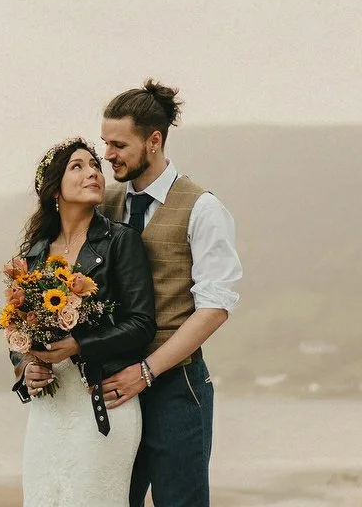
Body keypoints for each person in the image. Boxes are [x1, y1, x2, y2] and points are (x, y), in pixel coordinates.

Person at [95, 81, 242, 507]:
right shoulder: (104, 203)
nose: (108, 155)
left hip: (177, 387)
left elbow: (214, 308)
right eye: (105, 143)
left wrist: (146, 372)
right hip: (114, 384)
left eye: (119, 145)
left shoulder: (203, 209)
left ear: (154, 141)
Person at [10, 137, 156, 507]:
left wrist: (79, 345)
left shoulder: (121, 241)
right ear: (54, 190)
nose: (93, 172)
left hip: (102, 401)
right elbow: (17, 332)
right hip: (49, 408)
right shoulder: (34, 255)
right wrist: (26, 365)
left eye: (95, 166)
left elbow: (142, 324)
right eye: (78, 166)